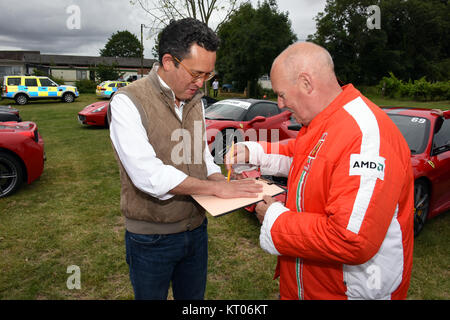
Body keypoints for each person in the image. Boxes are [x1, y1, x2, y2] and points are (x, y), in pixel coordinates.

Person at [226, 42, 414, 300]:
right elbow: (305, 155)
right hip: (308, 286)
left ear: (306, 83)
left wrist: (274, 219)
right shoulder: (323, 121)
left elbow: (350, 238)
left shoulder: (366, 136)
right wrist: (254, 152)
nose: (280, 104)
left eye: (281, 94)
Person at [108, 18, 262, 300]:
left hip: (196, 231)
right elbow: (149, 175)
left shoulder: (196, 101)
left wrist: (218, 177)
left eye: (208, 75)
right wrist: (215, 188)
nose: (201, 83)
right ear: (168, 61)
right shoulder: (127, 101)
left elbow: (200, 153)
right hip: (150, 238)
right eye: (196, 74)